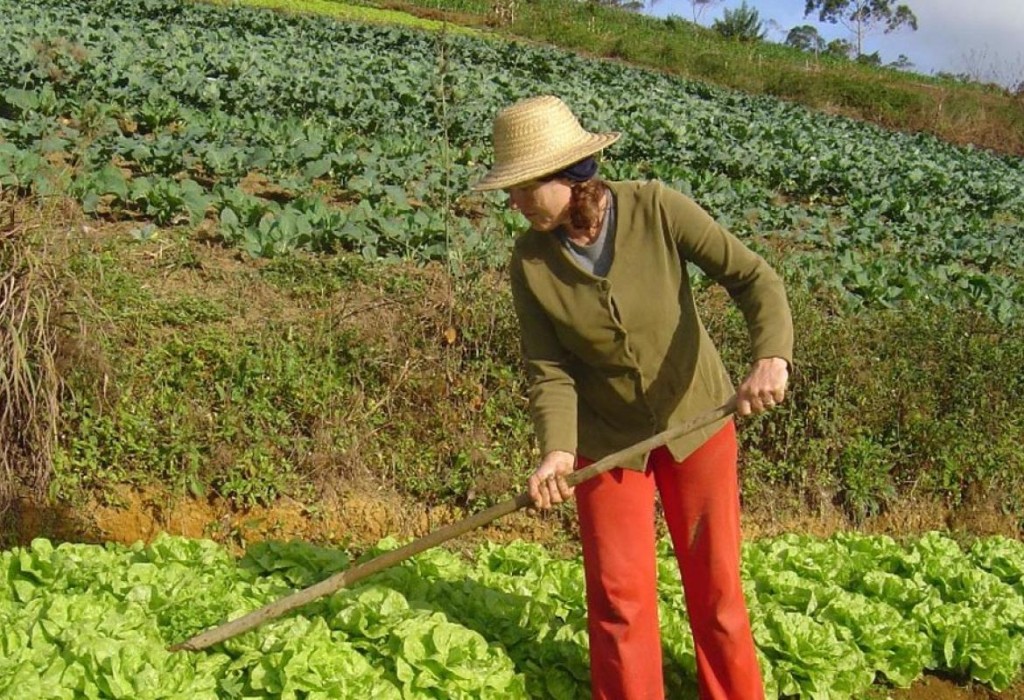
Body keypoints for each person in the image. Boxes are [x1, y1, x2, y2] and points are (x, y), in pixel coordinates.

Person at [472, 94, 793, 700]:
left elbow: (753, 278)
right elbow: (548, 368)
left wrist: (770, 357)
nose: (512, 202)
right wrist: (558, 452)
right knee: (619, 599)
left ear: (564, 177)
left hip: (697, 420)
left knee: (716, 589)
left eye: (519, 187)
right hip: (606, 441)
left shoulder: (656, 208)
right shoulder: (530, 260)